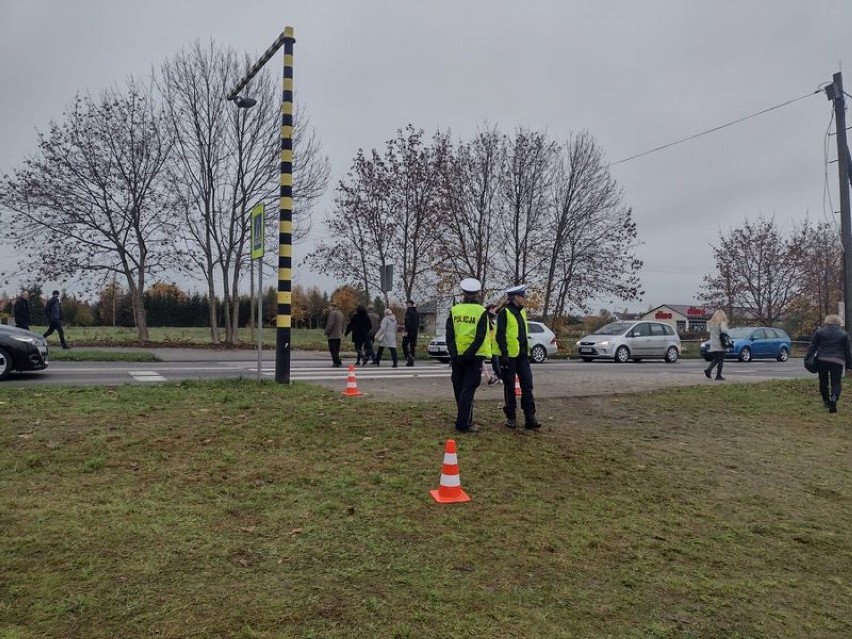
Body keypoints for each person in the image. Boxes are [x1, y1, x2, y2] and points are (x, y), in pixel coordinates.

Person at [446, 277, 490, 433]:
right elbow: (480, 337)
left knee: (459, 388)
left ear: (463, 293)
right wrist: (469, 354)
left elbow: (449, 335)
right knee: (468, 389)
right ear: (477, 294)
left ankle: (464, 419)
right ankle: (463, 423)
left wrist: (454, 354)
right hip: (473, 356)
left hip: (457, 356)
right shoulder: (481, 312)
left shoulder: (454, 310)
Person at [496, 285, 540, 429]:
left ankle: (530, 417)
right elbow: (500, 335)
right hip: (510, 356)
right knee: (509, 387)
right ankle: (511, 417)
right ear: (515, 297)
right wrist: (504, 354)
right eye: (522, 296)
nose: (524, 298)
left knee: (527, 385)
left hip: (522, 355)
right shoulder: (505, 312)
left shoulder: (521, 313)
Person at [805, 314, 852, 413]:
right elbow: (848, 352)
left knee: (823, 381)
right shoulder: (843, 334)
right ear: (838, 323)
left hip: (822, 359)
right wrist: (849, 366)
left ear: (827, 322)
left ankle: (826, 402)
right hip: (837, 360)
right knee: (836, 382)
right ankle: (833, 399)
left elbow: (812, 347)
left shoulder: (819, 332)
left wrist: (808, 359)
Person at [704, 309, 729, 381]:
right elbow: (725, 331)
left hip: (713, 343)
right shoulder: (721, 323)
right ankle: (718, 375)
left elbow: (708, 331)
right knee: (721, 359)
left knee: (716, 359)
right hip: (720, 343)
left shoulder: (711, 324)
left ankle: (708, 369)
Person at [485, 303, 502, 385]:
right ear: (490, 309)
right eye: (495, 310)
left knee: (496, 361)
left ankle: (493, 378)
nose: (496, 312)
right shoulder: (487, 318)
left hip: (492, 344)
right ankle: (499, 376)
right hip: (488, 344)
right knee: (495, 361)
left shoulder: (490, 319)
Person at [324, 301, 344, 367]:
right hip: (339, 335)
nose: (329, 308)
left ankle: (336, 362)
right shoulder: (340, 313)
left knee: (332, 349)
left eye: (329, 306)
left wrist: (326, 331)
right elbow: (343, 324)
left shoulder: (332, 313)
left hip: (332, 335)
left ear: (332, 306)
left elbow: (330, 323)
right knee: (337, 349)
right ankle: (338, 361)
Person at [402, 299, 420, 367]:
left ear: (410, 304)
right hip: (415, 331)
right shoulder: (417, 312)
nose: (406, 305)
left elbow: (408, 323)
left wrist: (406, 331)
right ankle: (412, 359)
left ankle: (409, 358)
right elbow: (418, 322)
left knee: (404, 344)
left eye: (407, 303)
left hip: (409, 331)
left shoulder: (409, 312)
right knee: (412, 346)